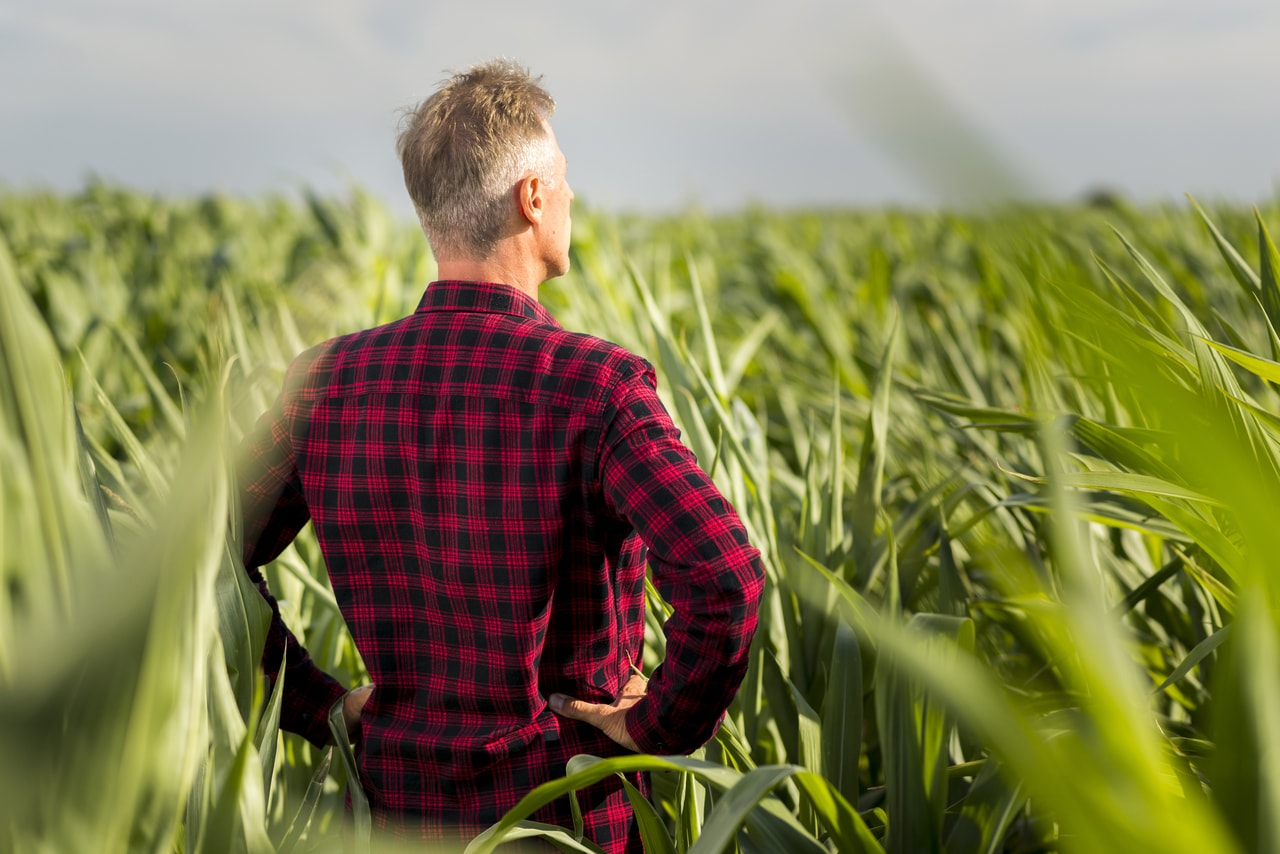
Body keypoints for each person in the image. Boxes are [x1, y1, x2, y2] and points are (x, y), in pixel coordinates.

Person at [237, 59, 764, 852]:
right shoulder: (598, 389)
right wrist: (652, 728)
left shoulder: (325, 383)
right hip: (565, 819)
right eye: (564, 177)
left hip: (386, 818)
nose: (574, 196)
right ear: (532, 198)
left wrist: (319, 707)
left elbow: (199, 560)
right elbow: (727, 580)